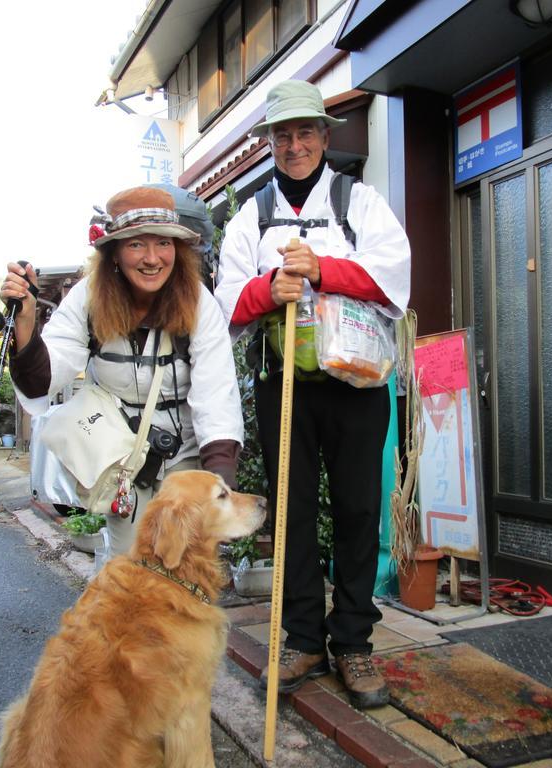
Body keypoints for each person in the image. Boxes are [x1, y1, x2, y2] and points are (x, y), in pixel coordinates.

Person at [214, 80, 410, 708]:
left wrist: (324, 270)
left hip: (356, 381)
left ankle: (352, 643)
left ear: (325, 137)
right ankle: (302, 638)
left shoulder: (361, 202)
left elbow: (394, 279)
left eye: (305, 133)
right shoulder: (251, 216)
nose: (294, 145)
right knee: (292, 512)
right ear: (269, 143)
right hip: (284, 382)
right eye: (282, 135)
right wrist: (271, 288)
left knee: (357, 510)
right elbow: (225, 307)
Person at [1, 185, 244, 555]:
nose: (152, 258)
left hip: (188, 450)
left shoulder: (198, 301)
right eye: (135, 244)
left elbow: (216, 392)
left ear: (177, 250)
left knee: (191, 560)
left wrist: (219, 480)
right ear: (114, 252)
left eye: (163, 243)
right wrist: (27, 323)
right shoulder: (89, 297)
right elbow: (45, 378)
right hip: (122, 456)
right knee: (130, 560)